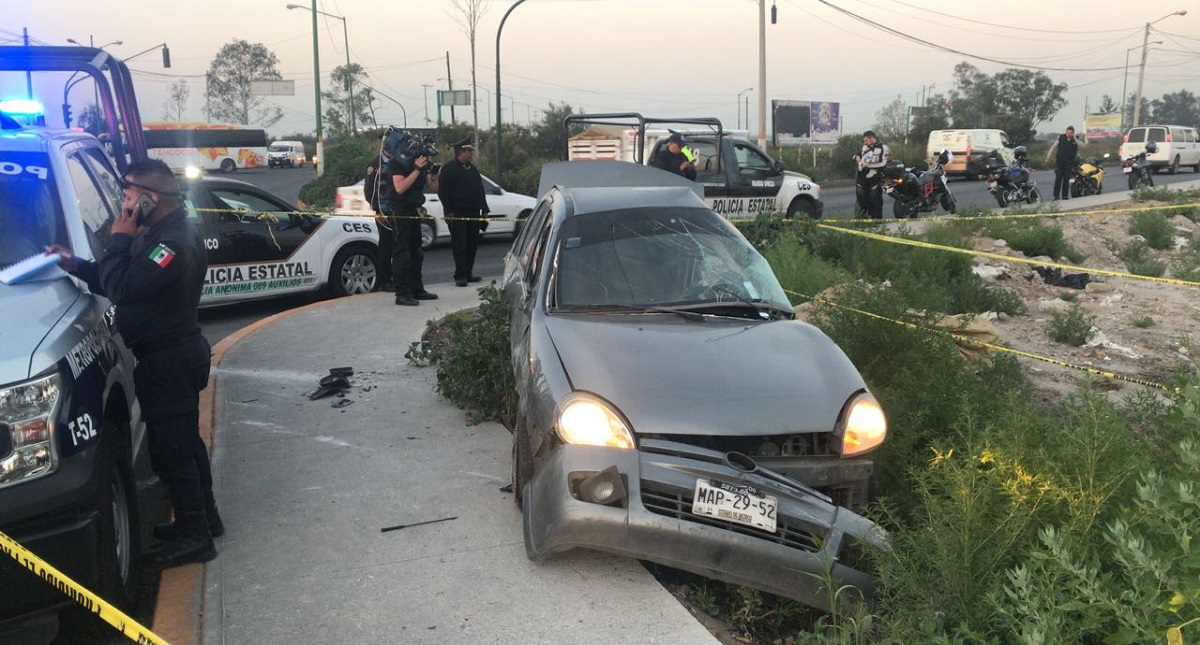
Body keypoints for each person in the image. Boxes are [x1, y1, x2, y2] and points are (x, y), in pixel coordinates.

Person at [47, 159, 221, 569]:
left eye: (127, 196)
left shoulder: (171, 244)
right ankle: (204, 519)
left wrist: (119, 239)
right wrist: (77, 266)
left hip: (170, 359)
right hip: (170, 356)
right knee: (184, 443)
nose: (122, 205)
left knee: (173, 452)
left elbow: (124, 288)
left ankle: (195, 536)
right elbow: (120, 279)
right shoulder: (162, 235)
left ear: (148, 199)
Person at [387, 146, 438, 306]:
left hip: (415, 209)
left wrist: (434, 174)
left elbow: (433, 187)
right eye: (425, 156)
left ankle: (417, 289)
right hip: (400, 211)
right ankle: (401, 293)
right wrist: (416, 170)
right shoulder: (398, 162)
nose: (427, 159)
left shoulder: (423, 165)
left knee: (417, 252)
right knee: (402, 253)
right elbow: (400, 188)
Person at [437, 137, 490, 287]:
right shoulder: (448, 169)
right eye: (469, 151)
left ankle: (468, 273)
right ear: (461, 152)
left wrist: (484, 209)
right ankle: (460, 275)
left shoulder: (472, 169)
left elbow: (480, 190)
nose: (471, 154)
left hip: (473, 212)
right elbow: (443, 192)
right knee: (460, 245)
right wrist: (449, 210)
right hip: (457, 213)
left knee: (472, 244)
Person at [364, 148, 394, 291]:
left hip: (395, 209)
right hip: (383, 211)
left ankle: (397, 277)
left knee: (397, 246)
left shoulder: (396, 161)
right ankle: (385, 280)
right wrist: (377, 210)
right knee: (386, 247)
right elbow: (369, 191)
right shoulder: (375, 164)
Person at [854, 130, 890, 219]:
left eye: (866, 140)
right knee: (860, 202)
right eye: (864, 141)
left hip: (875, 178)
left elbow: (884, 163)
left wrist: (868, 165)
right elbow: (857, 154)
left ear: (872, 138)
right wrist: (856, 157)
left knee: (875, 202)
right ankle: (860, 222)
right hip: (862, 178)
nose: (865, 143)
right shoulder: (864, 147)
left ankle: (876, 222)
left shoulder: (883, 147)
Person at [1045, 126, 1085, 201]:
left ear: (1073, 133)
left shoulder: (1075, 139)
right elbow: (1053, 147)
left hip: (1069, 162)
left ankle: (1065, 195)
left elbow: (1083, 146)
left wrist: (1075, 139)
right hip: (1060, 161)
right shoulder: (1061, 137)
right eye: (1067, 132)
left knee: (1066, 179)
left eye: (1070, 133)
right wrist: (1048, 157)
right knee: (1058, 178)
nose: (1068, 134)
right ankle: (1056, 196)